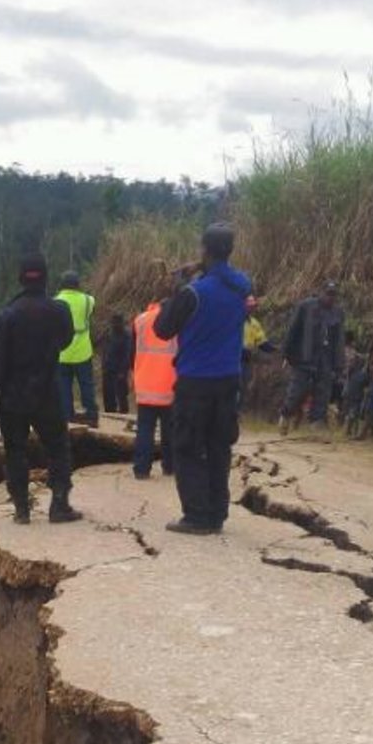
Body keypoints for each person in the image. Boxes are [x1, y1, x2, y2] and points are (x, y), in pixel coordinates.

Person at [154, 223, 250, 535]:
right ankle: (217, 513)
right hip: (229, 377)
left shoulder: (193, 293)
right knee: (219, 445)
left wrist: (177, 290)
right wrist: (204, 269)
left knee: (188, 446)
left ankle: (196, 515)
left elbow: (163, 328)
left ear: (204, 249)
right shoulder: (241, 286)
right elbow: (224, 278)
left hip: (196, 381)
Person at [0, 251, 81, 525]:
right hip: (47, 392)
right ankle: (59, 505)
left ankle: (21, 510)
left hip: (13, 396)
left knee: (15, 450)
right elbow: (65, 342)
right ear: (46, 278)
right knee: (58, 448)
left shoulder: (8, 313)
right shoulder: (59, 310)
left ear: (20, 278)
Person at [279, 281, 345, 433]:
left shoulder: (338, 312)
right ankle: (285, 415)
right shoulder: (306, 306)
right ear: (321, 292)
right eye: (328, 293)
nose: (330, 298)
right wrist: (287, 353)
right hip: (305, 355)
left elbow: (339, 339)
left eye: (333, 295)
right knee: (297, 389)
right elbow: (293, 330)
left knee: (323, 391)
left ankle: (317, 422)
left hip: (325, 358)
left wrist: (339, 363)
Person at [131, 293, 176, 479]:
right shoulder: (178, 322)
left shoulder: (140, 320)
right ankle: (170, 466)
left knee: (144, 430)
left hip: (145, 383)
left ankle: (141, 469)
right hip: (170, 385)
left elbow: (131, 349)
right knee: (170, 430)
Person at [54, 270, 99, 428]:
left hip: (62, 351)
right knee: (86, 384)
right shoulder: (88, 300)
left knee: (64, 385)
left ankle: (67, 414)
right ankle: (91, 414)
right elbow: (92, 308)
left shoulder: (56, 301)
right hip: (83, 350)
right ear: (78, 284)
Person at [240, 295, 272, 409]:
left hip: (246, 359)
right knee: (234, 385)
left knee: (244, 385)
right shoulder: (233, 319)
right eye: (249, 306)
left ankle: (238, 411)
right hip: (233, 358)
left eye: (253, 307)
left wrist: (274, 349)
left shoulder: (254, 323)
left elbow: (262, 342)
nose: (251, 309)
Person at [101, 314, 132, 413]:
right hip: (108, 367)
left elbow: (127, 354)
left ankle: (123, 411)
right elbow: (103, 347)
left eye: (117, 323)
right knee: (108, 392)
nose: (115, 325)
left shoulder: (126, 336)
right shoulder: (108, 333)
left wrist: (123, 370)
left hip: (119, 368)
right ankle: (109, 411)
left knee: (121, 393)